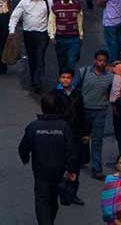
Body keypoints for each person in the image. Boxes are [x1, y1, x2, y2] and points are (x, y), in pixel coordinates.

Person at [19, 92, 83, 225]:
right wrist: (72, 170)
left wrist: (25, 157)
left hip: (40, 171)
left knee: (42, 200)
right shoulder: (64, 127)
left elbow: (23, 147)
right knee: (53, 198)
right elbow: (71, 151)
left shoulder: (34, 127)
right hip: (58, 171)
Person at [10, 0, 55, 92]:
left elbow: (53, 17)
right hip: (28, 34)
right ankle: (33, 77)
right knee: (32, 57)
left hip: (43, 34)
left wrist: (52, 34)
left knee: (39, 57)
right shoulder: (24, 2)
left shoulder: (47, 1)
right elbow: (15, 16)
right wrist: (12, 31)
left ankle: (37, 81)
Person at [51, 0, 86, 74]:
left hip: (74, 39)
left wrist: (81, 36)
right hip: (60, 39)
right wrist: (52, 36)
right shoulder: (55, 7)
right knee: (62, 63)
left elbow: (80, 22)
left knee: (71, 63)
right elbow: (51, 22)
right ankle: (63, 83)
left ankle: (71, 83)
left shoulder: (76, 6)